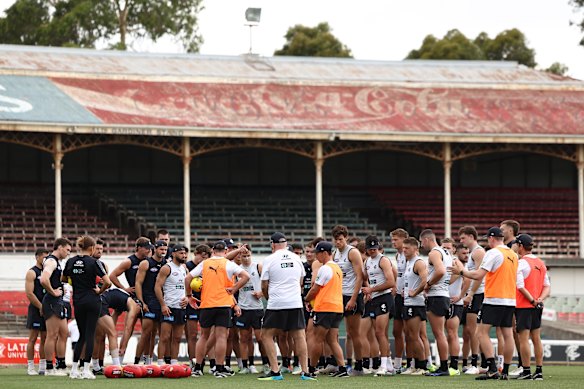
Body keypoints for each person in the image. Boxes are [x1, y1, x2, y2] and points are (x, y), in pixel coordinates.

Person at [450, 227, 519, 380]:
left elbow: (478, 275)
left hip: (494, 298)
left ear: (491, 238)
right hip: (509, 299)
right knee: (508, 335)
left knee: (481, 333)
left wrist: (461, 271)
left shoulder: (493, 253)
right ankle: (504, 371)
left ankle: (493, 368)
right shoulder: (513, 254)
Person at [186, 240, 249, 378]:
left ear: (213, 250)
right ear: (225, 251)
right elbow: (246, 276)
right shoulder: (228, 264)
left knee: (203, 336)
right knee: (221, 337)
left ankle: (198, 368)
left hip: (207, 304)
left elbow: (188, 278)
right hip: (223, 304)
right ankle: (219, 368)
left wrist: (189, 296)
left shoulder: (205, 263)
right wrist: (234, 289)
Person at [258, 232, 314, 381]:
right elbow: (301, 281)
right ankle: (305, 372)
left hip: (277, 302)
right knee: (299, 336)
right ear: (285, 244)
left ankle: (275, 371)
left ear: (272, 244)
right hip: (295, 302)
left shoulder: (269, 259)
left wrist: (270, 298)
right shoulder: (296, 258)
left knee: (266, 335)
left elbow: (264, 285)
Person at [63, 236, 111, 380]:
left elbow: (63, 279)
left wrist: (76, 282)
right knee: (90, 335)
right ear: (91, 248)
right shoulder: (94, 262)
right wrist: (99, 291)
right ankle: (85, 370)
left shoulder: (70, 261)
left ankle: (74, 370)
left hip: (77, 300)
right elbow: (107, 282)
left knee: (82, 335)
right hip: (92, 300)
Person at [304, 241, 345, 378]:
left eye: (318, 254)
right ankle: (343, 368)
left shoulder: (325, 268)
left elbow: (315, 288)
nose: (316, 257)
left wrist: (306, 298)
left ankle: (311, 369)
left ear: (324, 253)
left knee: (317, 339)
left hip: (325, 308)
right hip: (337, 307)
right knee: (332, 340)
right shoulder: (337, 268)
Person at [513, 234, 550, 381]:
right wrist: (539, 299)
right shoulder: (540, 263)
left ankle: (527, 370)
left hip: (524, 305)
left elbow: (520, 286)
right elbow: (547, 286)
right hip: (537, 305)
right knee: (536, 338)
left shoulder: (522, 263)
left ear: (520, 246)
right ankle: (539, 371)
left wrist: (532, 300)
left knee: (523, 339)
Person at [331, 225, 365, 375]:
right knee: (335, 332)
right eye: (335, 240)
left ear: (345, 238)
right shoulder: (335, 254)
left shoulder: (353, 252)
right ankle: (340, 364)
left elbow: (360, 276)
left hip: (352, 295)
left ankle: (359, 366)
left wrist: (353, 299)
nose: (338, 242)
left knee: (354, 333)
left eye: (340, 239)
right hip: (339, 296)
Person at [419, 229, 452, 376]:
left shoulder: (434, 253)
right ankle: (444, 366)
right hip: (443, 294)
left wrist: (428, 284)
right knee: (441, 333)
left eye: (421, 242)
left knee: (439, 334)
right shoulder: (446, 252)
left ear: (426, 240)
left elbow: (441, 271)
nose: (421, 245)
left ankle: (444, 367)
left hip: (437, 295)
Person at [362, 235, 396, 376]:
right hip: (374, 298)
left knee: (380, 332)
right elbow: (364, 277)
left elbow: (391, 282)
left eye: (375, 249)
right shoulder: (367, 262)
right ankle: (388, 365)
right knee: (379, 333)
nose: (372, 251)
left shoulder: (383, 260)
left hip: (384, 297)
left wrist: (371, 289)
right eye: (370, 249)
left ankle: (383, 365)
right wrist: (367, 289)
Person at [39, 238, 71, 376]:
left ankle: (61, 365)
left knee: (64, 333)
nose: (68, 253)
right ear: (60, 247)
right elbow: (43, 279)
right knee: (52, 335)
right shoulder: (51, 261)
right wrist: (53, 291)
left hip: (58, 301)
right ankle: (49, 368)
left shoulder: (57, 262)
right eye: (67, 250)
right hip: (52, 301)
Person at [458, 225, 485, 375]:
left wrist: (471, 294)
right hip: (474, 294)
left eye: (463, 238)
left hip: (478, 294)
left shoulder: (478, 252)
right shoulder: (474, 252)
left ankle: (476, 363)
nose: (461, 241)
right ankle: (476, 362)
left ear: (471, 236)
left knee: (474, 330)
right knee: (469, 330)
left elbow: (480, 275)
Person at [155, 244, 189, 365]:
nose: (184, 255)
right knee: (164, 337)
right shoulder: (167, 268)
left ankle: (174, 362)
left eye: (185, 253)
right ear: (173, 254)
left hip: (181, 308)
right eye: (181, 253)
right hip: (169, 307)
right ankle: (160, 363)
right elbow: (157, 287)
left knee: (177, 338)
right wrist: (163, 305)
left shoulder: (184, 269)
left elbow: (187, 287)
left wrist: (188, 298)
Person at [401, 237, 429, 375]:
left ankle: (422, 366)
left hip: (416, 303)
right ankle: (413, 365)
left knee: (415, 335)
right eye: (403, 248)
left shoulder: (418, 262)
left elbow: (425, 281)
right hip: (407, 302)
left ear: (414, 249)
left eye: (407, 248)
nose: (404, 250)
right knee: (409, 335)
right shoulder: (408, 262)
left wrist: (415, 292)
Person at [236, 247, 264, 374]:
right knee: (244, 338)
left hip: (257, 308)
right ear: (239, 256)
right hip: (244, 308)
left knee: (260, 338)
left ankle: (266, 363)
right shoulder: (237, 270)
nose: (246, 258)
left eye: (248, 255)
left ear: (251, 254)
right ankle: (246, 366)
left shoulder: (258, 267)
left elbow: (269, 283)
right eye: (243, 256)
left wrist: (261, 293)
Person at [185, 244, 211, 371]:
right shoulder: (187, 266)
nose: (204, 259)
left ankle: (211, 363)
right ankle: (192, 361)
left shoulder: (207, 266)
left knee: (208, 334)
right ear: (196, 254)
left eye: (206, 257)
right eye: (202, 256)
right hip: (191, 303)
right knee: (192, 334)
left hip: (205, 302)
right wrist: (187, 295)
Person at [446, 243, 470, 376]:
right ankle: (449, 362)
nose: (466, 256)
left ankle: (455, 366)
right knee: (447, 334)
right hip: (445, 301)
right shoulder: (447, 262)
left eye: (448, 248)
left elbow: (467, 280)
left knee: (452, 333)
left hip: (454, 302)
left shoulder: (456, 263)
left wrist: (460, 296)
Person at [25, 248, 49, 376]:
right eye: (44, 257)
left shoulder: (48, 271)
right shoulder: (32, 272)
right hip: (36, 308)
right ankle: (30, 366)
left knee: (45, 338)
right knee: (33, 338)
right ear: (38, 257)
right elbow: (29, 293)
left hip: (46, 308)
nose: (46, 260)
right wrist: (40, 307)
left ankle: (42, 366)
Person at [390, 228, 408, 373]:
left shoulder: (410, 255)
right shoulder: (398, 256)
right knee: (397, 331)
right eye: (392, 240)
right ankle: (397, 363)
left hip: (411, 298)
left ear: (403, 239)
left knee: (412, 332)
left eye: (396, 240)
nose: (393, 242)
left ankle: (416, 362)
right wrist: (395, 286)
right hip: (399, 297)